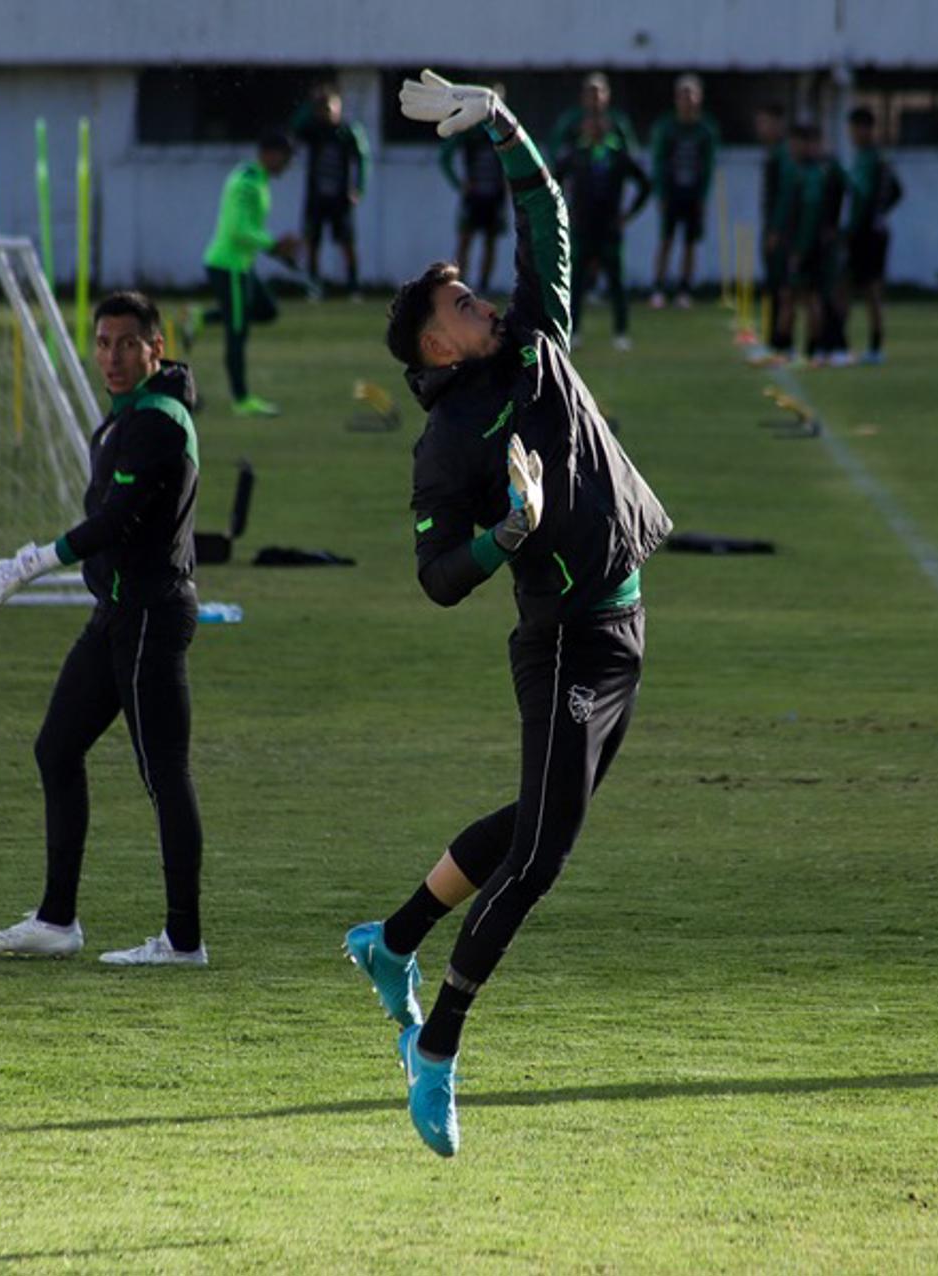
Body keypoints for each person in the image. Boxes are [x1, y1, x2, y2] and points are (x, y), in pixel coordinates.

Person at [347, 70, 672, 1158]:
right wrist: (507, 536)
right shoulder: (444, 445)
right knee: (541, 851)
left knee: (538, 814)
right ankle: (436, 1044)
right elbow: (439, 575)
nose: (480, 304)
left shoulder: (536, 337)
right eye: (459, 306)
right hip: (566, 638)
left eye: (474, 297)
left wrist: (498, 119)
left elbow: (551, 216)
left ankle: (392, 940)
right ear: (434, 350)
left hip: (622, 626)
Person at [0, 291, 208, 968]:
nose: (111, 356)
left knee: (165, 773)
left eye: (127, 344)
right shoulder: (123, 419)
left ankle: (184, 940)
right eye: (102, 343)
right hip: (116, 613)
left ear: (154, 348)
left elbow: (116, 520)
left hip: (148, 617)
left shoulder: (158, 421)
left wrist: (29, 563)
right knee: (56, 748)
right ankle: (57, 920)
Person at [196, 132, 300, 418]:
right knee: (237, 331)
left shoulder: (256, 177)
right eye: (286, 158)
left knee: (266, 310)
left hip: (240, 264)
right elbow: (237, 230)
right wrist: (274, 245)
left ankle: (201, 318)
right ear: (269, 153)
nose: (288, 165)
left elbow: (247, 230)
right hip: (229, 266)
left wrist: (276, 250)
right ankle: (241, 400)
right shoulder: (247, 183)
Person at [557, 112, 652, 351]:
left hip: (609, 227)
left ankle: (621, 333)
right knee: (576, 282)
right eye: (591, 122)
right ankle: (572, 332)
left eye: (600, 122)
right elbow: (553, 181)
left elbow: (645, 184)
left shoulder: (618, 153)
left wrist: (628, 214)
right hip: (582, 228)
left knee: (616, 281)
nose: (595, 127)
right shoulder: (575, 153)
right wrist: (564, 210)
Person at [775, 120, 848, 367]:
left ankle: (796, 349)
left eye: (796, 143)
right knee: (806, 298)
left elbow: (808, 213)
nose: (792, 149)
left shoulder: (812, 173)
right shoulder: (811, 170)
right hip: (812, 245)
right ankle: (810, 350)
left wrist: (799, 250)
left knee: (801, 298)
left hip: (807, 247)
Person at [289, 83, 371, 294]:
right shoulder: (313, 130)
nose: (328, 112)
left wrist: (358, 188)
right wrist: (309, 105)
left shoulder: (347, 131)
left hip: (340, 197)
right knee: (313, 242)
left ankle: (353, 285)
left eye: (331, 107)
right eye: (323, 108)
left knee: (347, 242)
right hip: (316, 196)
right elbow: (294, 127)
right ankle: (314, 284)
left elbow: (363, 160)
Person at [647, 74, 720, 310]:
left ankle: (684, 289)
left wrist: (703, 196)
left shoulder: (705, 130)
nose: (687, 101)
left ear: (699, 99)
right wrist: (660, 194)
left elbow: (708, 166)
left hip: (693, 193)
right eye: (683, 95)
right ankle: (658, 288)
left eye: (691, 95)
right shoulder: (667, 127)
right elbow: (659, 162)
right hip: (672, 192)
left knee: (689, 242)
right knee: (666, 240)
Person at [843, 105, 905, 366]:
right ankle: (841, 343)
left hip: (868, 233)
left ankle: (874, 346)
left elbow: (893, 192)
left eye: (857, 128)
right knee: (851, 288)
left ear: (866, 129)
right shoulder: (864, 157)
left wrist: (875, 215)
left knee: (870, 290)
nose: (853, 134)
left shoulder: (875, 159)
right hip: (864, 231)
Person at [438, 83, 510, 293]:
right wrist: (459, 183)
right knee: (465, 241)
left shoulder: (505, 129)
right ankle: (458, 285)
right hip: (473, 195)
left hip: (495, 196)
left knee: (490, 242)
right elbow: (446, 156)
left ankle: (484, 286)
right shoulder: (470, 129)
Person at [753, 101, 794, 362]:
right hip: (772, 228)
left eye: (765, 123)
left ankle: (780, 342)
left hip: (780, 232)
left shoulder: (783, 157)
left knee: (781, 287)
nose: (761, 128)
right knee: (773, 286)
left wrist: (775, 230)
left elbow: (784, 198)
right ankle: (773, 340)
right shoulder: (773, 154)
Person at [547, 71, 641, 160]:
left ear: (608, 94)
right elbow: (555, 152)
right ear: (583, 95)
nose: (596, 96)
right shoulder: (570, 120)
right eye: (591, 92)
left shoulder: (618, 121)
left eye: (601, 91)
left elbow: (632, 153)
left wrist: (608, 138)